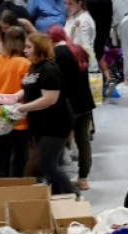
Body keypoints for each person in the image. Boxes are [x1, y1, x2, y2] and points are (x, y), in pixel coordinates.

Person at [18, 32, 75, 194]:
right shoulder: (33, 66)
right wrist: (14, 97)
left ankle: (73, 195)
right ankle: (57, 196)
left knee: (46, 164)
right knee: (48, 166)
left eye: (29, 47)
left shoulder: (49, 69)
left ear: (40, 48)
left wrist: (22, 108)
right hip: (40, 123)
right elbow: (29, 88)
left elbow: (49, 99)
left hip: (56, 124)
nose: (25, 50)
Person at [47, 24, 95, 190]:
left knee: (58, 140)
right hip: (85, 102)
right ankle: (83, 178)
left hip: (67, 105)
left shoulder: (56, 55)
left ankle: (57, 178)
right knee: (83, 141)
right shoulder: (79, 50)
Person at [0, 26, 31, 178]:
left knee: (1, 153)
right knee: (19, 155)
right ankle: (16, 183)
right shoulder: (24, 63)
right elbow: (28, 90)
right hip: (17, 115)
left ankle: (1, 184)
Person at [86, 0, 113, 84]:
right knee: (100, 56)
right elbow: (109, 18)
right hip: (102, 32)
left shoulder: (87, 2)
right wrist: (107, 35)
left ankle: (94, 81)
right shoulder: (107, 1)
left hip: (90, 32)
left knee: (90, 57)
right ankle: (108, 78)